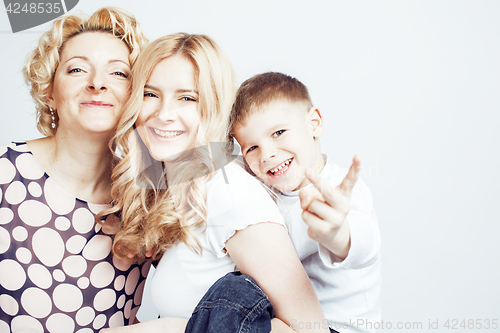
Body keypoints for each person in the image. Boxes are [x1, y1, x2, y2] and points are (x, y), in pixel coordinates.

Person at [100, 34, 329, 333]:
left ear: (214, 107)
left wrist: (169, 328)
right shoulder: (179, 184)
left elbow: (310, 330)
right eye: (150, 94)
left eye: (187, 98)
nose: (164, 114)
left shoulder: (230, 193)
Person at [0, 7, 149, 332]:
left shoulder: (146, 200)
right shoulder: (4, 176)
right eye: (78, 69)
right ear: (50, 91)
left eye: (118, 73)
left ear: (134, 96)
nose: (97, 84)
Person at [231, 72, 382, 333]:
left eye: (278, 132)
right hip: (289, 320)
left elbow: (365, 244)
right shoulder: (261, 193)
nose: (267, 154)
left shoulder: (339, 189)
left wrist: (338, 234)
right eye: (251, 148)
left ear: (314, 123)